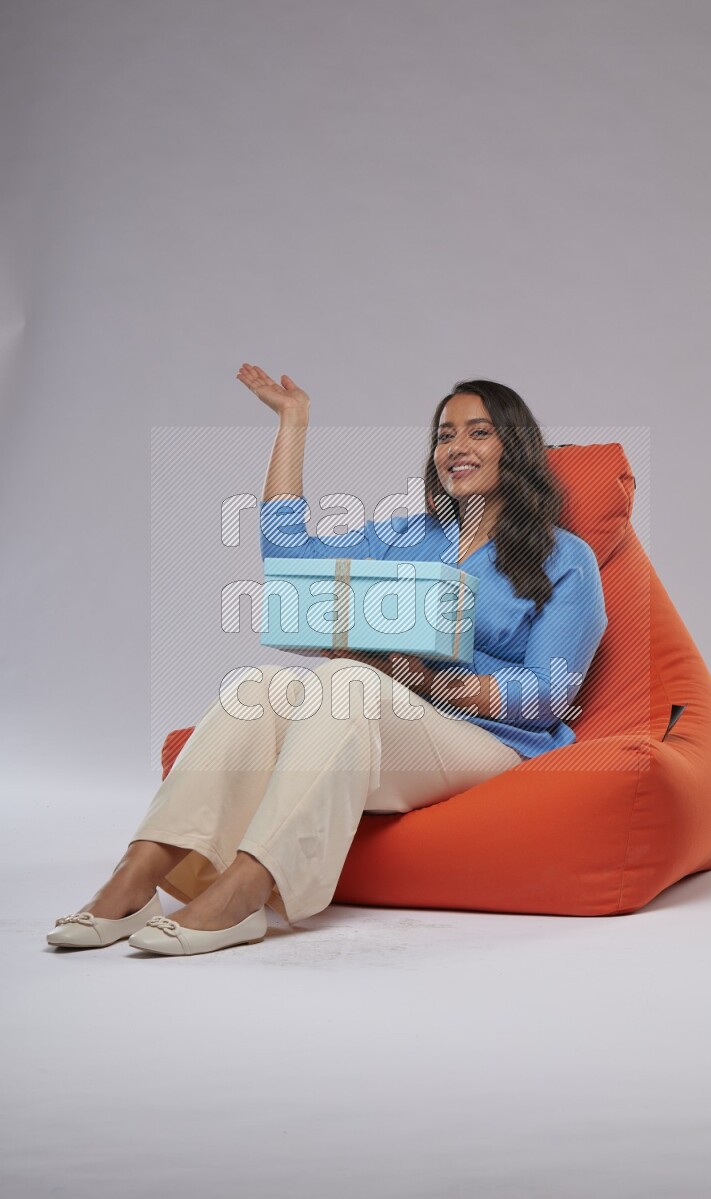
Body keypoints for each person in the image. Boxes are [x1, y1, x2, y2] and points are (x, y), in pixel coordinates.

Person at [46, 367, 608, 956]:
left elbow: (547, 694)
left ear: (514, 448)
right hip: (384, 721)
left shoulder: (567, 559)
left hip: (493, 743)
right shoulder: (406, 537)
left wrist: (428, 681)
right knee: (261, 686)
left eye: (479, 433)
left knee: (346, 680)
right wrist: (294, 423)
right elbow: (288, 559)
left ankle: (245, 891)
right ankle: (135, 878)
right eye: (445, 436)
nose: (456, 448)